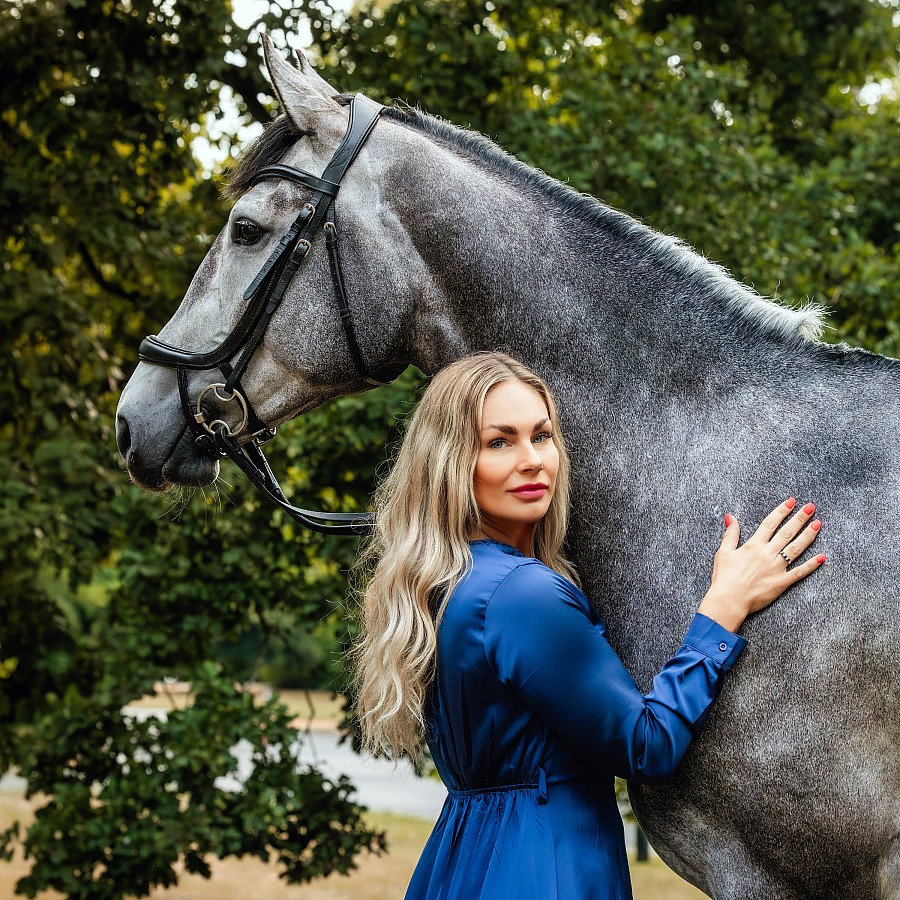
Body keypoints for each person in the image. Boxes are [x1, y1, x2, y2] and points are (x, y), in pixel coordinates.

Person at [351, 352, 825, 900]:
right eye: (499, 442)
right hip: (546, 865)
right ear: (452, 463)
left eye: (543, 436)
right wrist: (722, 610)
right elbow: (646, 747)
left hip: (467, 857)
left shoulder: (448, 584)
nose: (533, 460)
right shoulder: (521, 594)